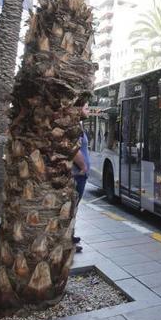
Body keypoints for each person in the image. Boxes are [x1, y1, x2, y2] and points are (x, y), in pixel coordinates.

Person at [71, 103, 91, 253]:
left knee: (73, 207)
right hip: (77, 174)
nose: (89, 110)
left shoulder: (78, 125)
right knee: (71, 207)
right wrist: (83, 167)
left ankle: (70, 236)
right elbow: (74, 148)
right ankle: (67, 240)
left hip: (79, 174)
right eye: (86, 108)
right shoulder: (74, 127)